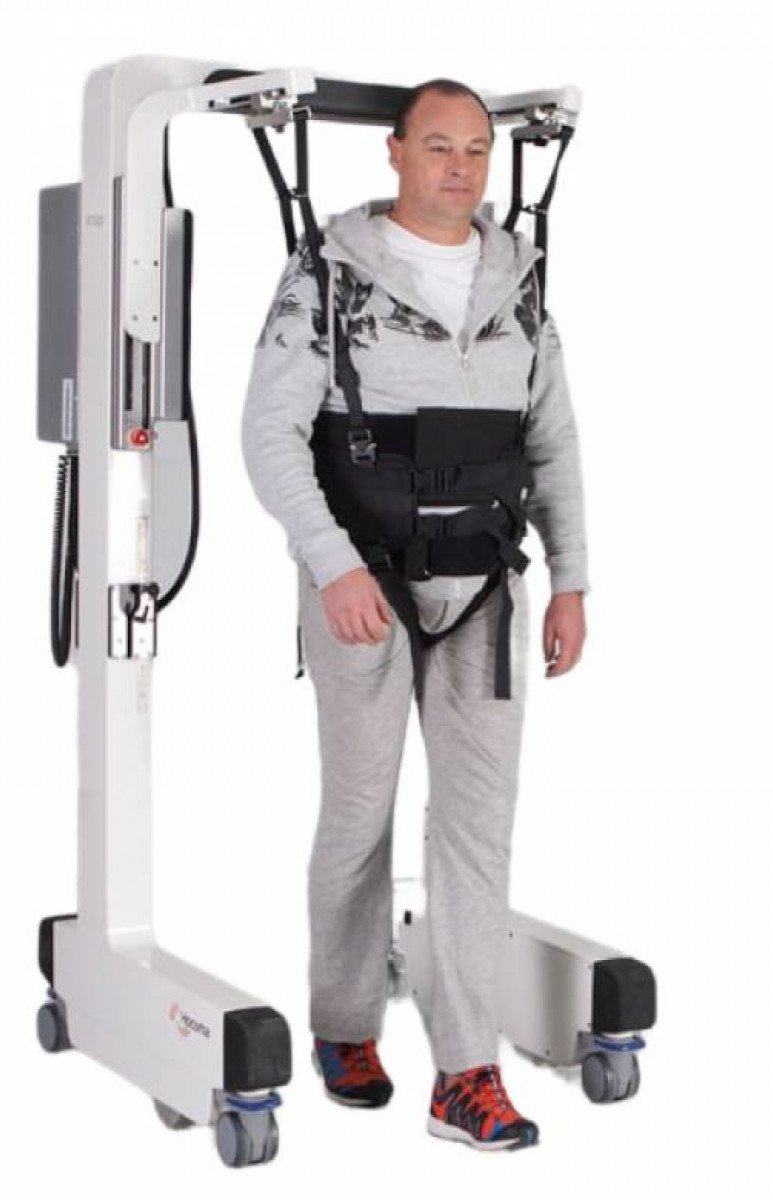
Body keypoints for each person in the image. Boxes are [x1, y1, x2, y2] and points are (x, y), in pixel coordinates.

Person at [241, 77, 588, 1151]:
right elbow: (269, 434)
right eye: (438, 146)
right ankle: (345, 1023)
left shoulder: (518, 279)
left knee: (480, 825)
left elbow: (552, 441)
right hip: (366, 585)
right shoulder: (328, 273)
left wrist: (571, 577)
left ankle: (466, 1075)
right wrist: (331, 565)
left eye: (477, 149)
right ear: (395, 152)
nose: (460, 167)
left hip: (484, 585)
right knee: (360, 812)